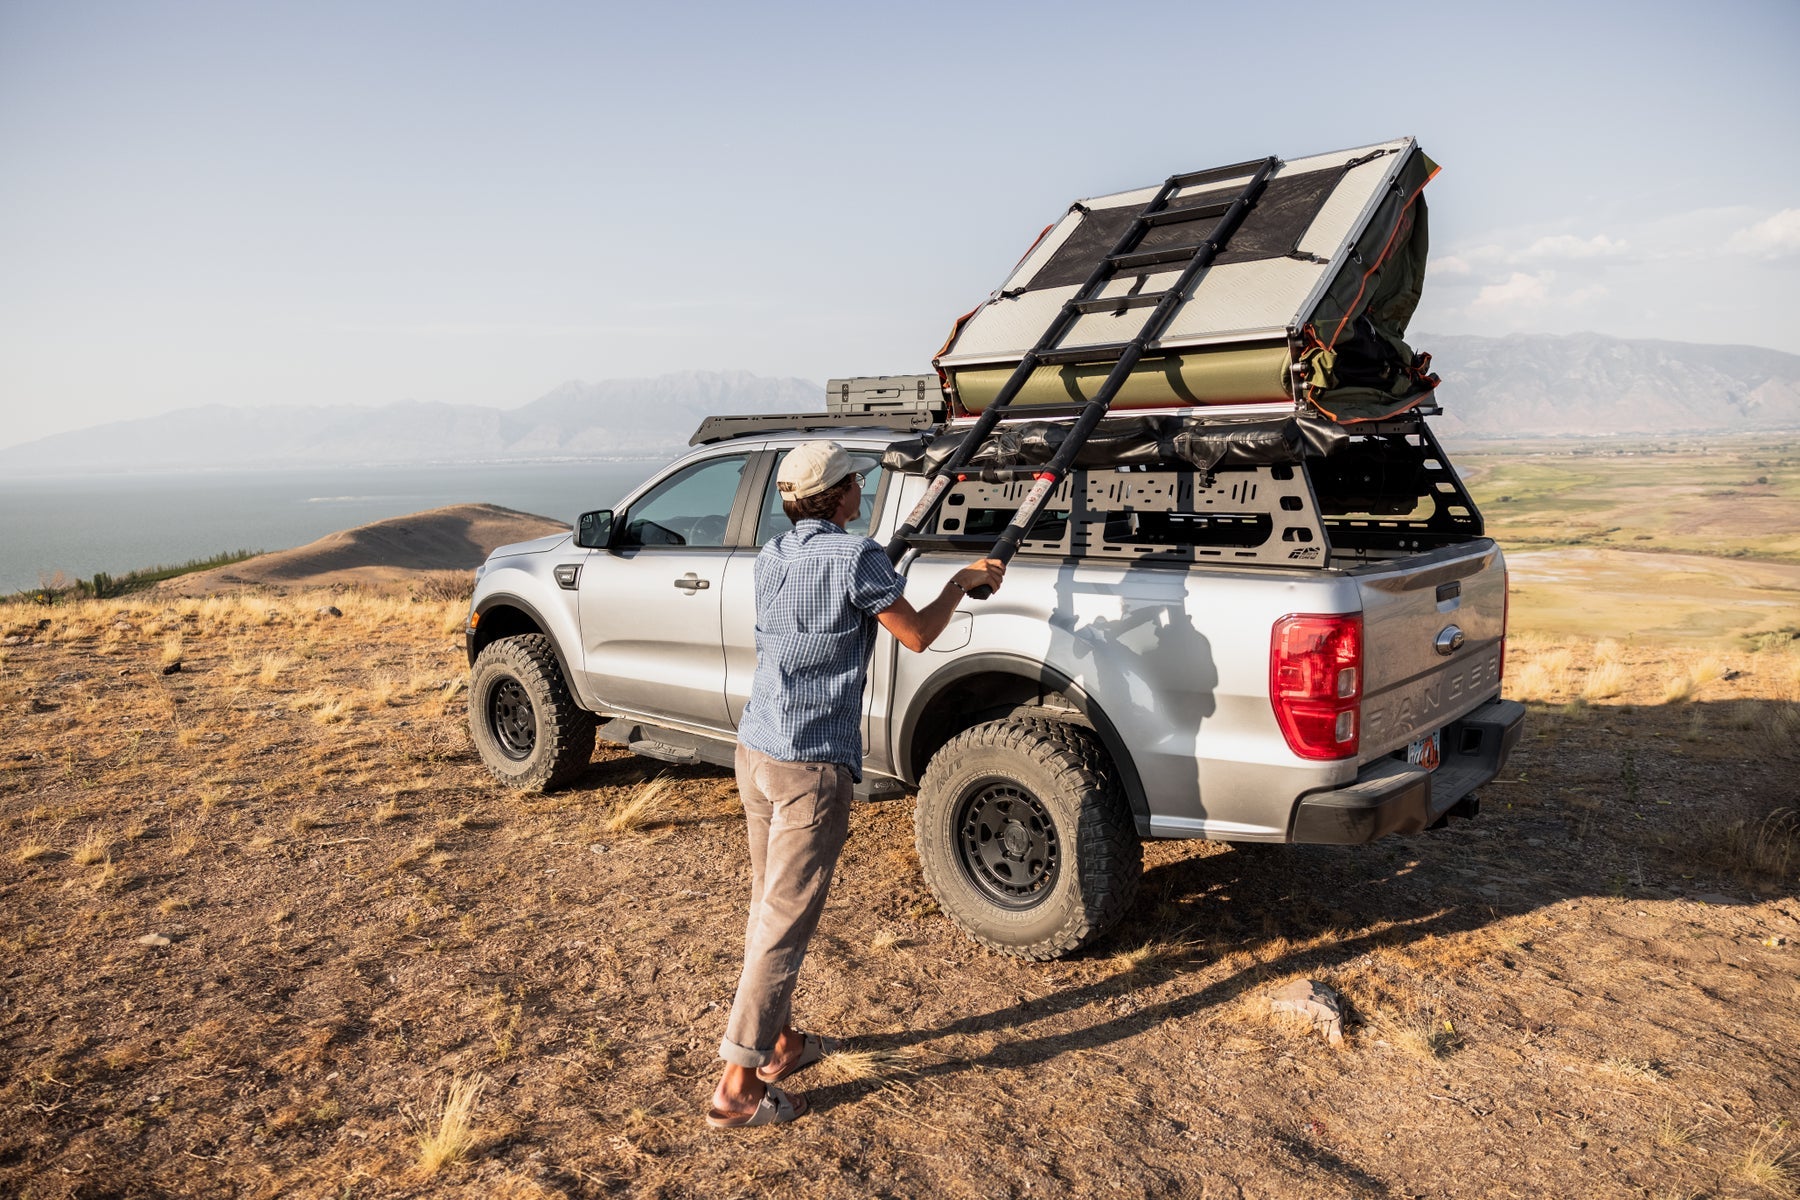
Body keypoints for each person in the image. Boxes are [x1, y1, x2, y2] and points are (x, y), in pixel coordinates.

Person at [706, 441, 1004, 1129]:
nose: (861, 494)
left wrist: (878, 571)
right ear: (838, 494)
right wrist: (961, 584)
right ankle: (737, 1087)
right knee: (783, 924)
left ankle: (781, 1044)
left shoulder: (775, 555)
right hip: (811, 764)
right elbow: (919, 635)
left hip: (757, 748)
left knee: (767, 907)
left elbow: (832, 597)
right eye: (855, 486)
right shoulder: (857, 557)